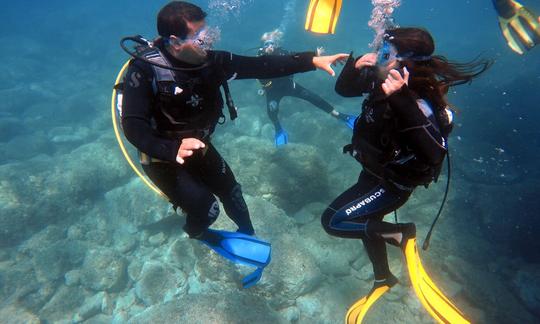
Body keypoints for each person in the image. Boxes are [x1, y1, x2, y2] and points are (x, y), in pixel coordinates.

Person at [119, 1, 348, 286]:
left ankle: (249, 238)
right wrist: (171, 148)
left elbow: (260, 65)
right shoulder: (145, 70)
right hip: (162, 157)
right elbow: (133, 127)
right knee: (207, 209)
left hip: (200, 146)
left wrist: (310, 60)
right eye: (199, 35)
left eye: (207, 30)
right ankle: (197, 232)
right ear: (175, 41)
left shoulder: (212, 62)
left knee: (234, 192)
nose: (209, 39)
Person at [320, 27, 491, 322]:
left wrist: (400, 99)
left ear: (406, 62)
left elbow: (435, 153)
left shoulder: (416, 100)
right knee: (366, 225)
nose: (379, 59)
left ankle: (402, 234)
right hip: (375, 173)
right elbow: (344, 90)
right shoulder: (384, 78)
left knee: (333, 221)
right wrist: (355, 64)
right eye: (381, 51)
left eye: (386, 54)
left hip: (393, 185)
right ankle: (383, 278)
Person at [257, 29, 355, 146]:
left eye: (272, 43)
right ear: (262, 47)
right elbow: (258, 76)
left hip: (289, 86)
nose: (270, 46)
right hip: (272, 91)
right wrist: (264, 87)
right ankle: (278, 129)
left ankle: (341, 116)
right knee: (272, 111)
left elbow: (298, 56)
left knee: (313, 97)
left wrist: (315, 54)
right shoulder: (259, 59)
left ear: (276, 45)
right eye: (266, 44)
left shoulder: (283, 53)